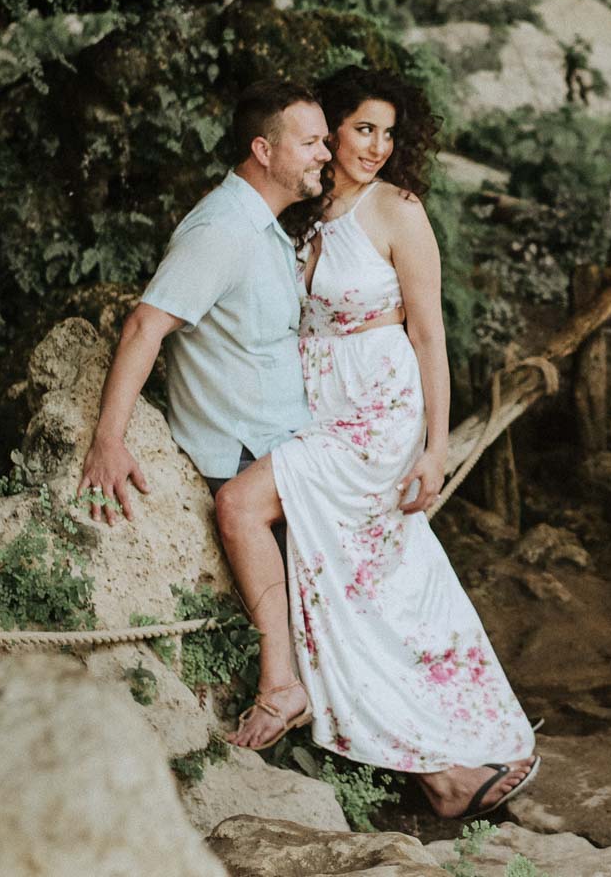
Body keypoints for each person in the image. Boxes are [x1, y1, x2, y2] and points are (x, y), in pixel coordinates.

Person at [216, 66, 539, 820]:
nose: (378, 147)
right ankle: (445, 772)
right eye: (364, 128)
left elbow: (429, 332)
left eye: (389, 134)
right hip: (320, 411)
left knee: (290, 538)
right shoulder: (306, 210)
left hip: (379, 418)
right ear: (329, 126)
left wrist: (435, 450)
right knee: (367, 597)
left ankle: (307, 699)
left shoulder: (398, 210)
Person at [77, 79, 328, 742]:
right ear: (262, 149)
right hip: (246, 454)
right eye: (310, 143)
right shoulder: (222, 230)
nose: (324, 156)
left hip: (287, 439)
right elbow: (143, 327)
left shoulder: (263, 227)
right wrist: (110, 438)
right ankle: (282, 685)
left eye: (326, 142)